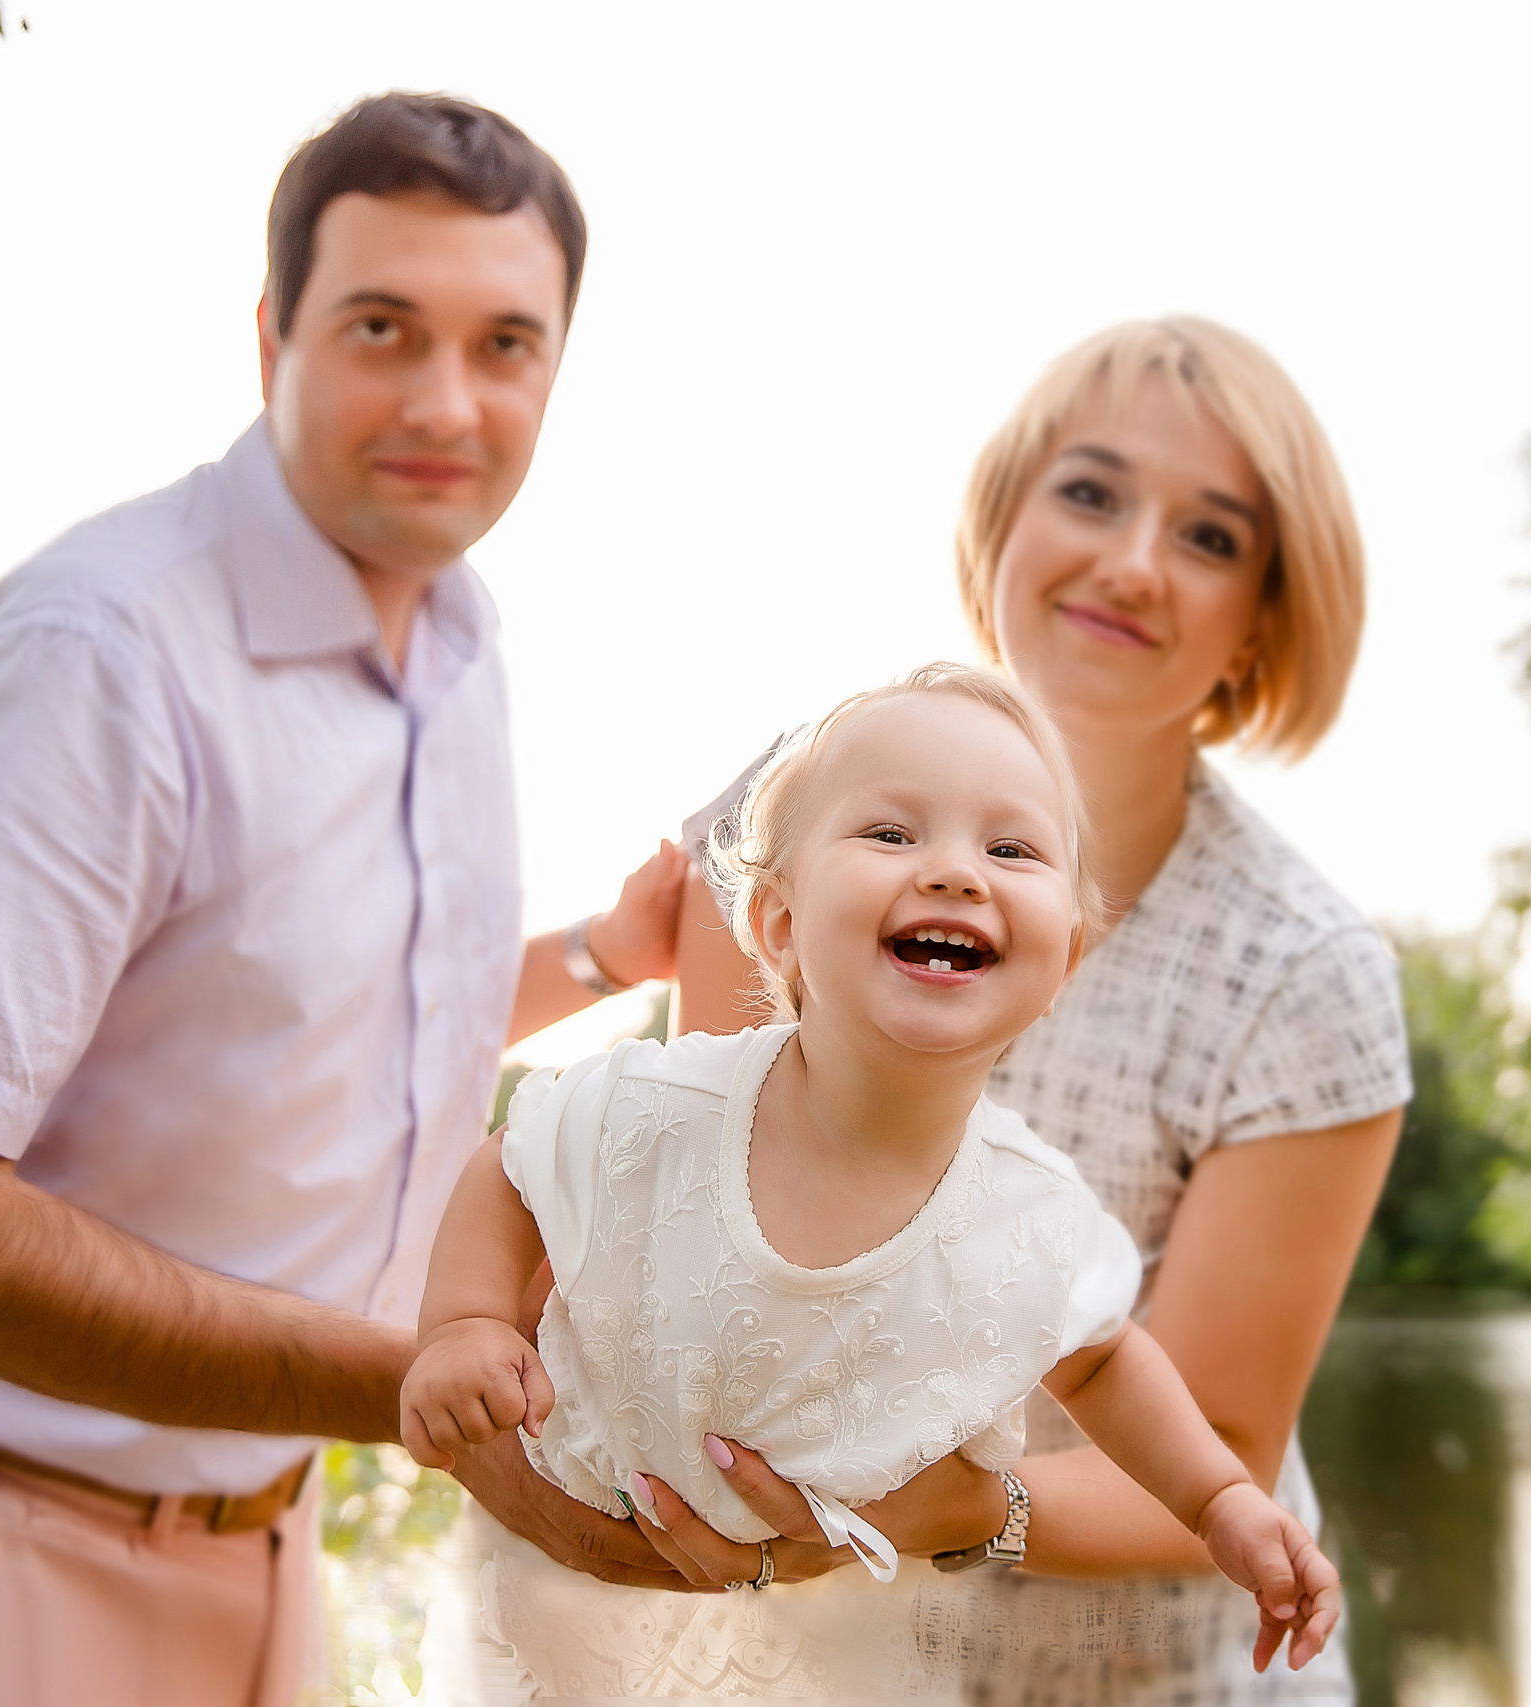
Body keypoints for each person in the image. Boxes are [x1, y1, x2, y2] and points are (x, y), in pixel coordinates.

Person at [0, 92, 692, 1707]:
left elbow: (313, 1014)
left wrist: (605, 954)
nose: (447, 402)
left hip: (266, 1540)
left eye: (506, 344)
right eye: (384, 327)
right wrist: (424, 1383)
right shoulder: (99, 659)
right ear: (273, 337)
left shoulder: (459, 640)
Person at [632, 318, 1411, 1705]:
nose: (1130, 560)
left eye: (1212, 538)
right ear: (1004, 521)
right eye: (1092, 492)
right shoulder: (781, 818)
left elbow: (1216, 1445)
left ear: (1264, 628)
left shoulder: (1301, 971)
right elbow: (690, 1255)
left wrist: (950, 1509)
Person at [403, 666, 1344, 1698]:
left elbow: (1103, 1361)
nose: (953, 872)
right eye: (890, 835)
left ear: (1062, 962)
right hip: (573, 1615)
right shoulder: (662, 1106)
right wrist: (463, 1325)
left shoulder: (1027, 1213)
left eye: (1011, 849)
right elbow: (514, 1160)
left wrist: (1218, 1503)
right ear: (775, 924)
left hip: (828, 1649)